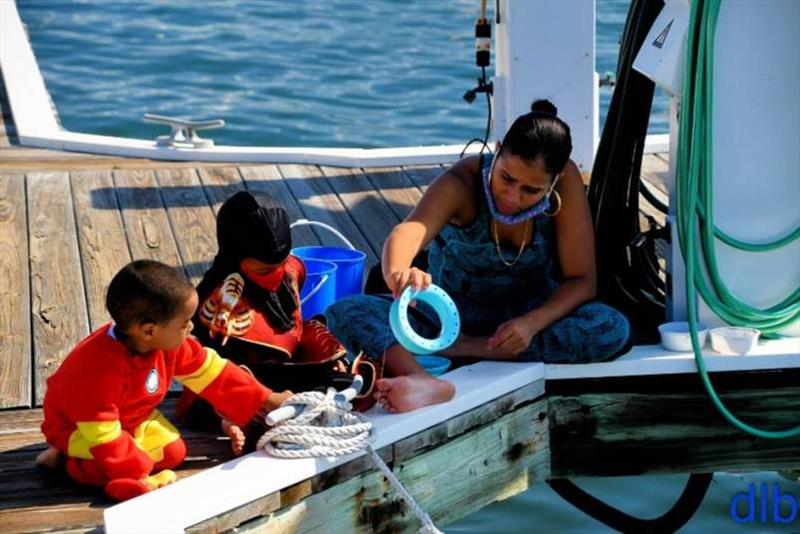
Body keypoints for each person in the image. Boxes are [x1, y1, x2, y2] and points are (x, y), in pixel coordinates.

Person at [325, 99, 631, 413]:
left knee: (610, 327)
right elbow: (408, 231)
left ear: (553, 182)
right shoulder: (462, 182)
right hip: (444, 323)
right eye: (507, 179)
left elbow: (582, 281)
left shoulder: (566, 182)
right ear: (497, 150)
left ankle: (464, 352)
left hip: (527, 321)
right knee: (344, 311)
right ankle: (423, 380)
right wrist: (398, 271)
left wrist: (530, 324)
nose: (513, 197)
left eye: (531, 190)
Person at [36, 260, 292, 501]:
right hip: (80, 427)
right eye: (183, 323)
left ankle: (92, 459)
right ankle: (66, 460)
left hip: (131, 418)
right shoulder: (96, 370)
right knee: (104, 467)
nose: (191, 328)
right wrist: (138, 476)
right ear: (149, 330)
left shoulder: (165, 343)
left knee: (173, 452)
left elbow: (212, 371)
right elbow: (103, 434)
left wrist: (268, 399)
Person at [177, 191, 380, 451]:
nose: (275, 275)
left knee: (344, 372)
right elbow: (204, 366)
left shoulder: (291, 270)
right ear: (236, 262)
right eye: (263, 270)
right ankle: (231, 421)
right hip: (229, 380)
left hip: (284, 368)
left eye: (281, 264)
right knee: (218, 399)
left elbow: (297, 324)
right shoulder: (215, 301)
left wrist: (327, 355)